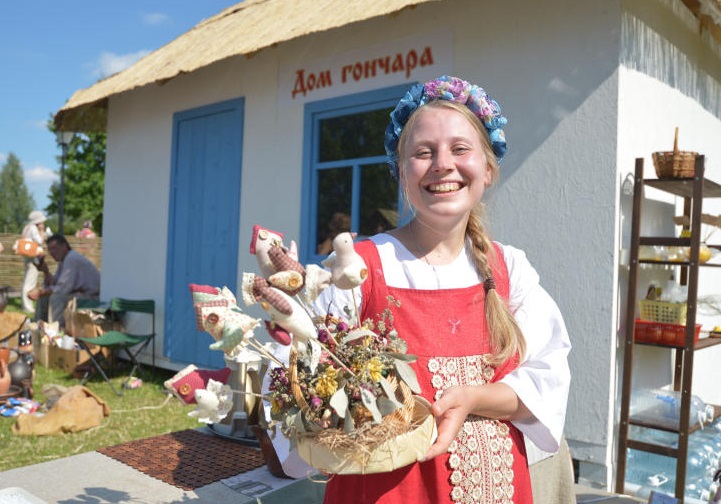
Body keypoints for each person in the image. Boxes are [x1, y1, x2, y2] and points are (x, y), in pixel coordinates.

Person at [271, 76, 572, 503]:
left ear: (488, 168)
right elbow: (297, 377)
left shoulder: (510, 269)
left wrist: (473, 398)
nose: (442, 164)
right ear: (400, 171)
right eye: (423, 152)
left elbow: (548, 380)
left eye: (460, 149)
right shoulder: (359, 267)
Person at [28, 234, 100, 326]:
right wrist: (45, 271)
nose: (52, 252)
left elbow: (63, 289)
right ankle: (39, 327)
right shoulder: (64, 260)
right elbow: (55, 284)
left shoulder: (72, 258)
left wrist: (41, 292)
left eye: (55, 248)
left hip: (91, 298)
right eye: (50, 249)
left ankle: (56, 331)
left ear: (64, 246)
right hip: (80, 295)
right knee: (45, 298)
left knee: (57, 298)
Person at [19, 210, 50, 313]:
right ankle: (27, 306)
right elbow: (40, 241)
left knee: (27, 280)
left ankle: (25, 304)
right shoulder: (33, 229)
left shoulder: (26, 228)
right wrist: (42, 230)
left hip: (26, 256)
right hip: (32, 257)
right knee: (30, 282)